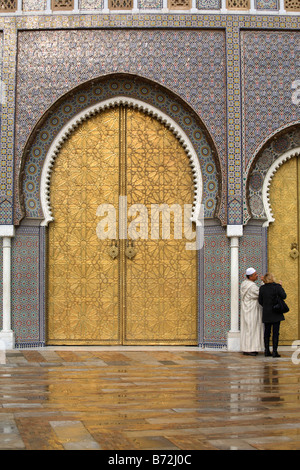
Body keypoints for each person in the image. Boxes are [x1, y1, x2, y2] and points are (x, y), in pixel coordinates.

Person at [259, 273, 287, 358]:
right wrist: (281, 286)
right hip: (276, 312)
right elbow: (284, 296)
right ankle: (275, 352)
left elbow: (260, 301)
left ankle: (267, 350)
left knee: (267, 332)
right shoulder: (277, 287)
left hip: (267, 313)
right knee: (275, 332)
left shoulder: (262, 288)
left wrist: (267, 306)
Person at [240, 267, 264, 356]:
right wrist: (263, 283)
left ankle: (248, 348)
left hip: (246, 309)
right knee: (252, 328)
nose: (257, 276)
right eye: (255, 275)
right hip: (252, 310)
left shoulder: (244, 284)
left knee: (248, 328)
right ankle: (249, 349)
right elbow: (260, 293)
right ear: (250, 277)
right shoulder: (251, 286)